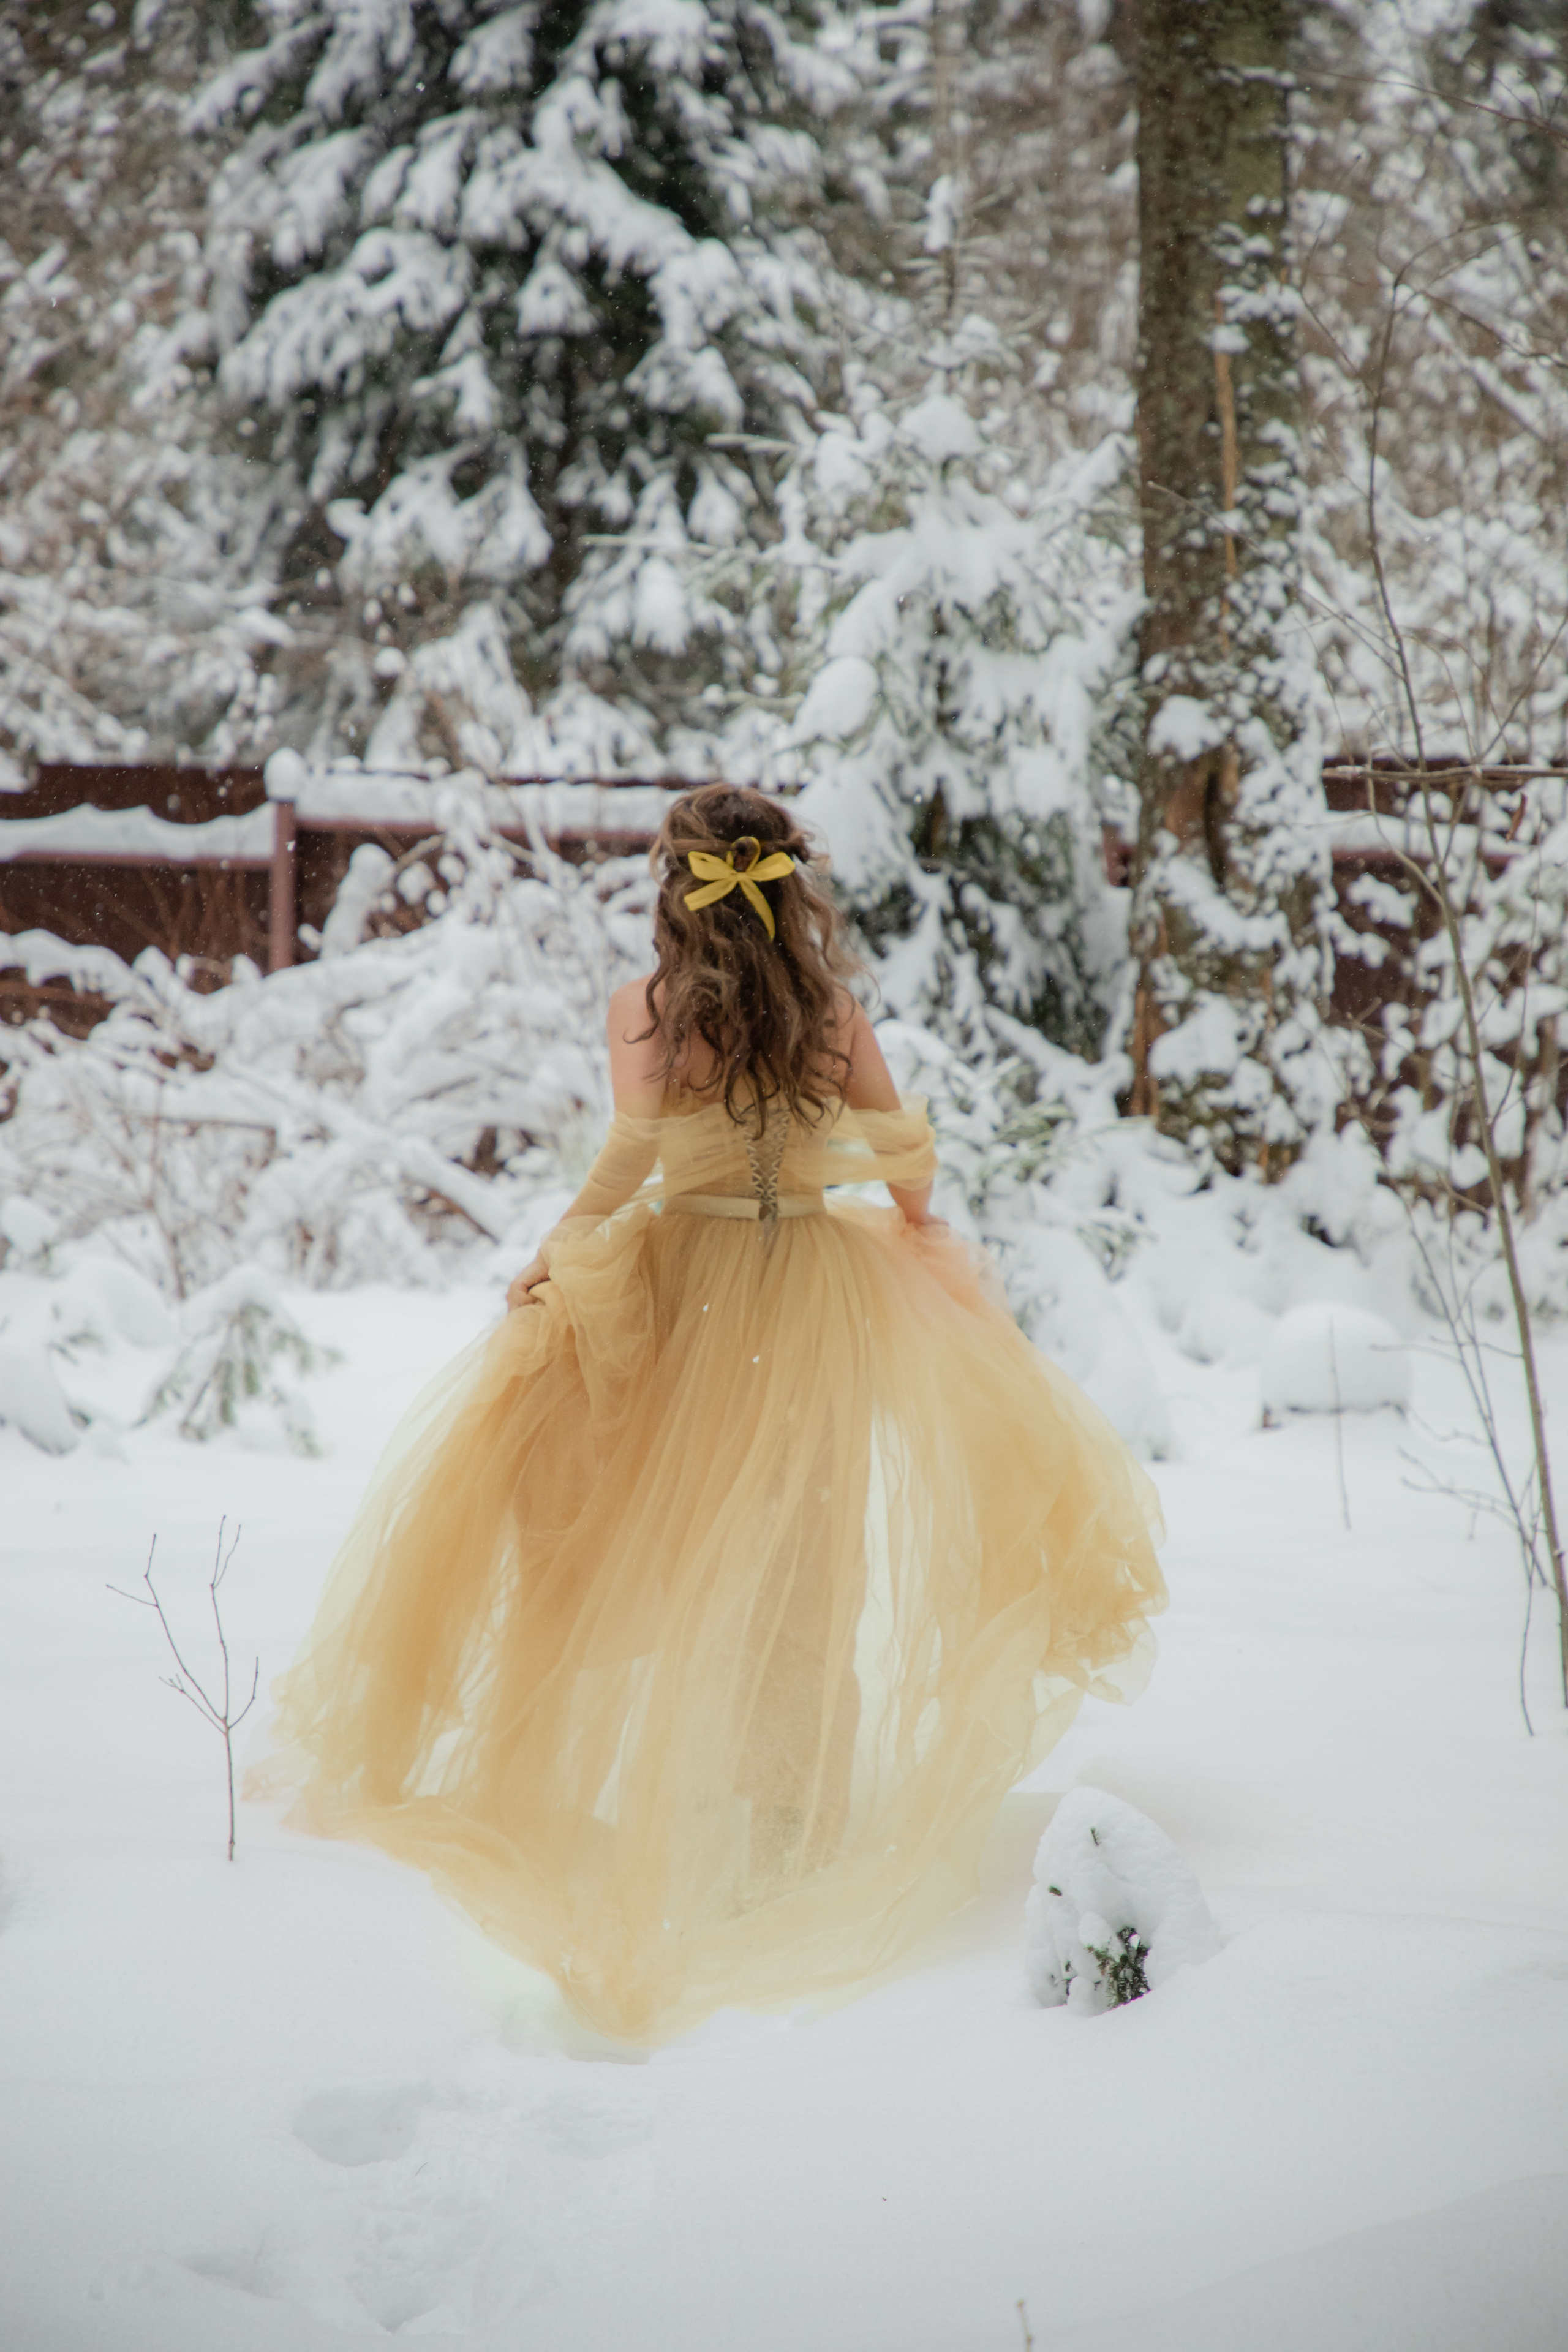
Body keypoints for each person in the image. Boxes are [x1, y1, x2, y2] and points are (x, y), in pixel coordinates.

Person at [256, 785, 1165, 2043]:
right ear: (788, 888)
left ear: (674, 891)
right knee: (809, 1568)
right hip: (812, 1296)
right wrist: (917, 1240)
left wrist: (557, 1248)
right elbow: (905, 1156)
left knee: (675, 1543)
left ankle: (682, 1821)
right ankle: (783, 1834)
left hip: (686, 1293)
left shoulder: (646, 1012)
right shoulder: (831, 1013)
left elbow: (629, 1158)